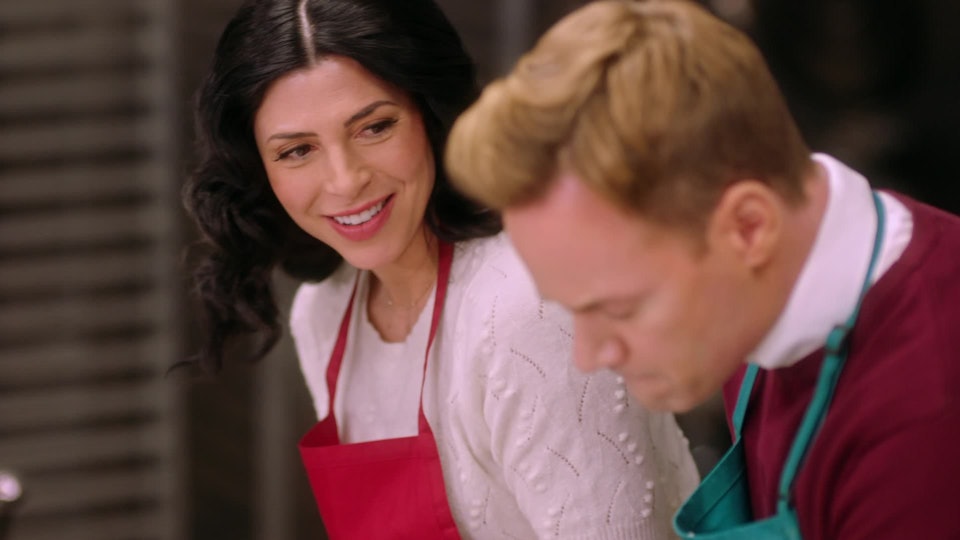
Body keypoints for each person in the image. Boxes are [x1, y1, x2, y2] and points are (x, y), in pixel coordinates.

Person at [183, 0, 699, 538]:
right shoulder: (327, 311)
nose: (344, 180)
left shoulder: (528, 309)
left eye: (375, 127)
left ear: (429, 115)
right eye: (297, 151)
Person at [444, 1, 960, 539]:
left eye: (619, 309)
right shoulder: (755, 302)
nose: (590, 355)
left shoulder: (924, 419)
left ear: (749, 227)